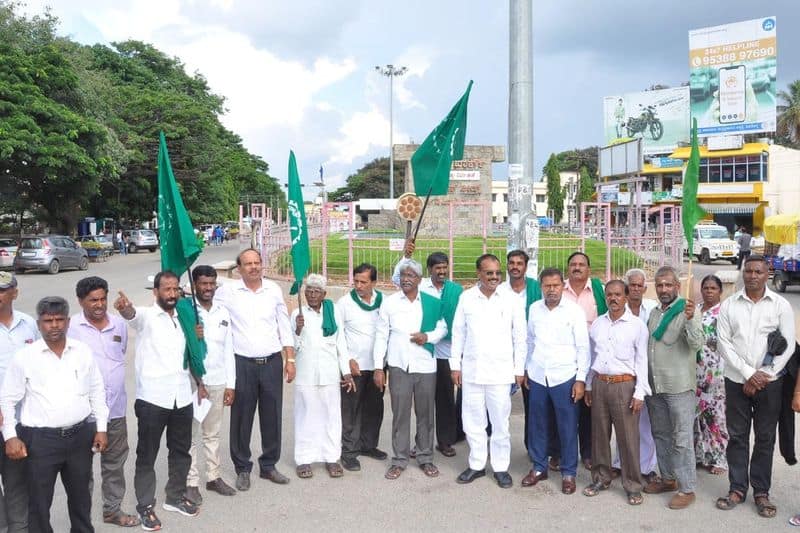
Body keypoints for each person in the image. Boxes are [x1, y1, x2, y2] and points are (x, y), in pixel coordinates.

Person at [0, 296, 108, 533]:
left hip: (81, 437)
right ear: (39, 324)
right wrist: (10, 436)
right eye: (48, 321)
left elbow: (97, 390)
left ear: (68, 322)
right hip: (40, 441)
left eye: (59, 319)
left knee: (81, 499)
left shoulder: (82, 351)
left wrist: (101, 427)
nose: (54, 325)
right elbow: (7, 399)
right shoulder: (25, 358)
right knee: (39, 503)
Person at [115, 271, 201, 530]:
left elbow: (194, 351)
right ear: (156, 292)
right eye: (167, 289)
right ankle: (145, 507)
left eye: (175, 289)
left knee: (181, 452)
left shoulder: (184, 317)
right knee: (147, 455)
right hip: (153, 398)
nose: (172, 294)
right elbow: (133, 316)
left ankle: (174, 497)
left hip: (182, 397)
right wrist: (127, 309)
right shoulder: (147, 316)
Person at [716, 255, 795, 519]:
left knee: (765, 438)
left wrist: (763, 374)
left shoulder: (780, 305)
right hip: (737, 380)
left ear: (767, 273)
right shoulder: (729, 305)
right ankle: (737, 488)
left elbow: (787, 346)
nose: (752, 275)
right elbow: (723, 344)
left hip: (770, 384)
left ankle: (761, 491)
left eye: (758, 271)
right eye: (748, 271)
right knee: (737, 436)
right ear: (743, 273)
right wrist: (750, 374)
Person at [214, 248, 295, 490]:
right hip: (242, 364)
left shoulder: (273, 290)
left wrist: (289, 359)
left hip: (271, 362)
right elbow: (211, 317)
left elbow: (283, 324)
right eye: (248, 264)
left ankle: (269, 465)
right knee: (242, 417)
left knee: (272, 415)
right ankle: (242, 468)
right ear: (239, 269)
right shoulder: (227, 292)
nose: (254, 267)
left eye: (257, 262)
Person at [67, 276, 139, 528]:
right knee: (81, 469)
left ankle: (112, 510)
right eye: (92, 300)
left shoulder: (119, 324)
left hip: (116, 410)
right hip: (84, 415)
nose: (99, 304)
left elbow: (120, 357)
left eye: (102, 299)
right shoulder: (71, 327)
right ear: (80, 301)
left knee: (114, 464)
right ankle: (81, 516)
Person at [450, 254, 526, 488]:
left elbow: (520, 337)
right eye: (489, 273)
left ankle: (501, 468)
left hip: (500, 372)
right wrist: (455, 365)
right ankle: (477, 464)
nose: (494, 277)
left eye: (496, 273)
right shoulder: (466, 298)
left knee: (500, 422)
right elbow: (458, 333)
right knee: (472, 421)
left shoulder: (511, 300)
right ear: (478, 274)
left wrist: (519, 369)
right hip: (472, 371)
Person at [373, 259, 446, 480]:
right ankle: (399, 459)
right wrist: (378, 367)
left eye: (411, 276)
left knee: (425, 414)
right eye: (403, 275)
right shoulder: (390, 303)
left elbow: (442, 326)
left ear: (419, 279)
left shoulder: (431, 302)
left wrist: (428, 337)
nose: (406, 279)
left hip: (424, 365)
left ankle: (425, 457)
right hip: (398, 365)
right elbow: (381, 335)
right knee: (400, 413)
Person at [522, 267, 590, 495]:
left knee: (567, 427)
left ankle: (569, 472)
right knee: (537, 424)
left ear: (563, 286)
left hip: (565, 377)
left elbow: (583, 348)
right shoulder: (534, 309)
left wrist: (580, 380)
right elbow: (530, 341)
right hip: (539, 376)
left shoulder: (574, 311)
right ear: (541, 287)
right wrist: (527, 369)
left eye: (556, 285)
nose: (551, 290)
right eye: (547, 286)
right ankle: (539, 467)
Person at [582, 280, 650, 506]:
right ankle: (601, 478)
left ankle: (632, 484)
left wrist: (640, 392)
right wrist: (590, 385)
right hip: (600, 383)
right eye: (609, 295)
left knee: (628, 438)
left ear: (626, 296)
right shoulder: (598, 325)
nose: (613, 298)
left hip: (625, 386)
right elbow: (593, 357)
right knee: (599, 435)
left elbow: (642, 360)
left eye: (618, 294)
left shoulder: (637, 325)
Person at [643, 266, 703, 510]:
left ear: (677, 286)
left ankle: (687, 488)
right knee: (661, 434)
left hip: (679, 386)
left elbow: (697, 343)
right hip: (656, 385)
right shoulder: (655, 312)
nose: (664, 289)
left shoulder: (688, 310)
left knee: (681, 439)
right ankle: (668, 478)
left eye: (668, 285)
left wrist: (689, 320)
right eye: (660, 285)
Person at [184, 266, 237, 506]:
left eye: (211, 284)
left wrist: (231, 385)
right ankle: (191, 482)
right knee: (192, 435)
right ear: (195, 285)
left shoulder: (222, 311)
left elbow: (228, 350)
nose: (207, 288)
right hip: (194, 383)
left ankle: (213, 477)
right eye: (203, 284)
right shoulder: (186, 311)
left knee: (212, 433)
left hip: (219, 380)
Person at [291, 274, 351, 479]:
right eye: (309, 291)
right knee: (305, 416)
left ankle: (332, 458)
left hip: (329, 373)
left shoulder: (333, 311)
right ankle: (303, 459)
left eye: (317, 291)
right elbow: (293, 347)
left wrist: (347, 372)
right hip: (305, 373)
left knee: (331, 416)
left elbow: (340, 342)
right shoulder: (297, 314)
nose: (312, 295)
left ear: (324, 294)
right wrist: (297, 330)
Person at [336, 263, 387, 472]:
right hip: (354, 367)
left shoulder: (384, 302)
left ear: (373, 282)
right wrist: (347, 360)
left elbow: (386, 333)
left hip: (377, 367)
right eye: (356, 281)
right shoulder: (344, 303)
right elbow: (338, 336)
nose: (358, 285)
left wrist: (381, 366)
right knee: (350, 410)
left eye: (363, 282)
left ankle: (368, 445)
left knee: (374, 408)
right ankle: (349, 452)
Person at [612, 268, 658, 482]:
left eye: (640, 286)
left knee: (646, 425)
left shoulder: (653, 309)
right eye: (633, 285)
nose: (636, 289)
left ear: (645, 288)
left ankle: (646, 468)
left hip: (648, 374)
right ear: (626, 287)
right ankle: (619, 464)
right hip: (625, 376)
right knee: (624, 424)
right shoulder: (619, 311)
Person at [562, 251, 606, 470]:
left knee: (589, 411)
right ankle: (560, 453)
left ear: (588, 269)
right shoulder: (558, 290)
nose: (577, 267)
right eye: (573, 264)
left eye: (581, 264)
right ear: (568, 268)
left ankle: (588, 454)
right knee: (564, 410)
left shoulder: (599, 291)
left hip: (594, 361)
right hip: (565, 361)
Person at [0, 272, 37, 533]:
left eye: (3, 290)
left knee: (16, 481)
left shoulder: (29, 324)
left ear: (15, 292)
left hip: (20, 419)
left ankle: (18, 529)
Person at [499, 250, 542, 453]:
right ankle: (495, 447)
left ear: (526, 266)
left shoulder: (536, 289)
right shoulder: (499, 291)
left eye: (519, 263)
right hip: (504, 358)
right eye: (512, 263)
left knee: (534, 409)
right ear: (507, 266)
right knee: (497, 406)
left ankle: (533, 449)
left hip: (532, 358)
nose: (515, 266)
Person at [694, 275, 728, 475]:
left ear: (720, 291)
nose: (708, 291)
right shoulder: (695, 310)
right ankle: (700, 455)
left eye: (713, 288)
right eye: (705, 287)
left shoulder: (724, 313)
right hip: (695, 372)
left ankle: (719, 459)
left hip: (716, 373)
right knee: (696, 417)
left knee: (715, 417)